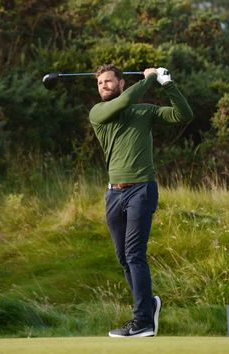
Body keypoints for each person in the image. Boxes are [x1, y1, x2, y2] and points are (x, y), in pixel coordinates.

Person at [89, 64, 193, 337]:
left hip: (141, 190)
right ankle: (148, 306)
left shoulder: (145, 111)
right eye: (100, 83)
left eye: (108, 81)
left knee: (135, 254)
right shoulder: (99, 113)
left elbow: (184, 114)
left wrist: (167, 83)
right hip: (113, 193)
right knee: (124, 257)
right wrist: (148, 79)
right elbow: (125, 101)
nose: (103, 86)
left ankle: (143, 320)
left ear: (122, 82)